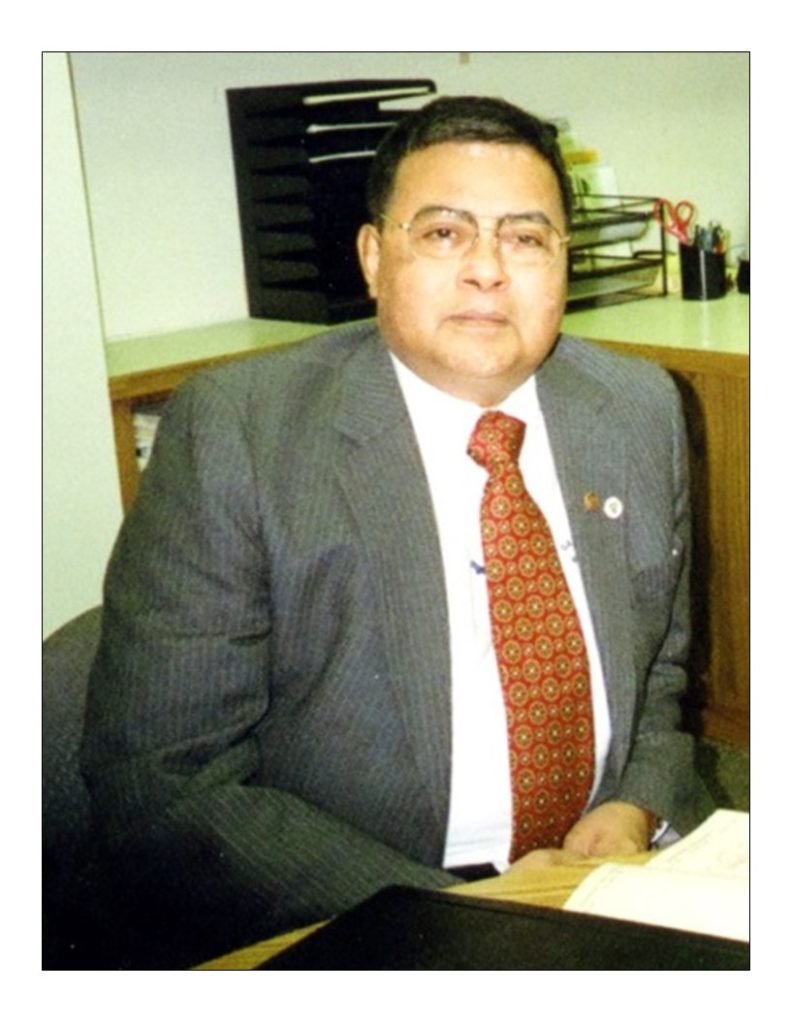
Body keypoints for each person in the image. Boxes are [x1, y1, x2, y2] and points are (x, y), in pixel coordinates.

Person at [81, 95, 712, 968]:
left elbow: (660, 666)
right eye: (445, 234)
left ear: (564, 262)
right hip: (362, 904)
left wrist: (633, 804)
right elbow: (165, 782)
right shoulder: (240, 432)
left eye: (526, 238)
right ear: (375, 257)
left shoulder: (637, 406)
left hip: (605, 877)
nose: (489, 271)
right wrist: (460, 921)